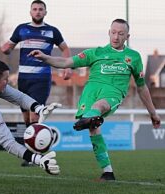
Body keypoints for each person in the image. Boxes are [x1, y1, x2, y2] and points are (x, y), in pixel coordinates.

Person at [29, 18, 161, 181]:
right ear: (108, 32)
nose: (116, 37)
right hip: (90, 92)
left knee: (99, 107)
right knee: (93, 128)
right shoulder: (95, 53)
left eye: (121, 34)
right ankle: (108, 172)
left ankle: (89, 118)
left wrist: (153, 113)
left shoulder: (133, 57)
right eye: (113, 32)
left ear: (127, 36)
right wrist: (44, 58)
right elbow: (66, 62)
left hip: (113, 93)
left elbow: (141, 87)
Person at [1, 0, 71, 166]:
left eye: (41, 9)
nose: (38, 12)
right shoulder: (21, 29)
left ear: (45, 12)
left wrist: (68, 67)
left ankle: (33, 155)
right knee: (26, 116)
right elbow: (9, 46)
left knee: (34, 114)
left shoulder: (52, 31)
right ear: (30, 12)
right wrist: (6, 48)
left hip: (42, 78)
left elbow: (65, 49)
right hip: (23, 79)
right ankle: (32, 150)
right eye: (35, 9)